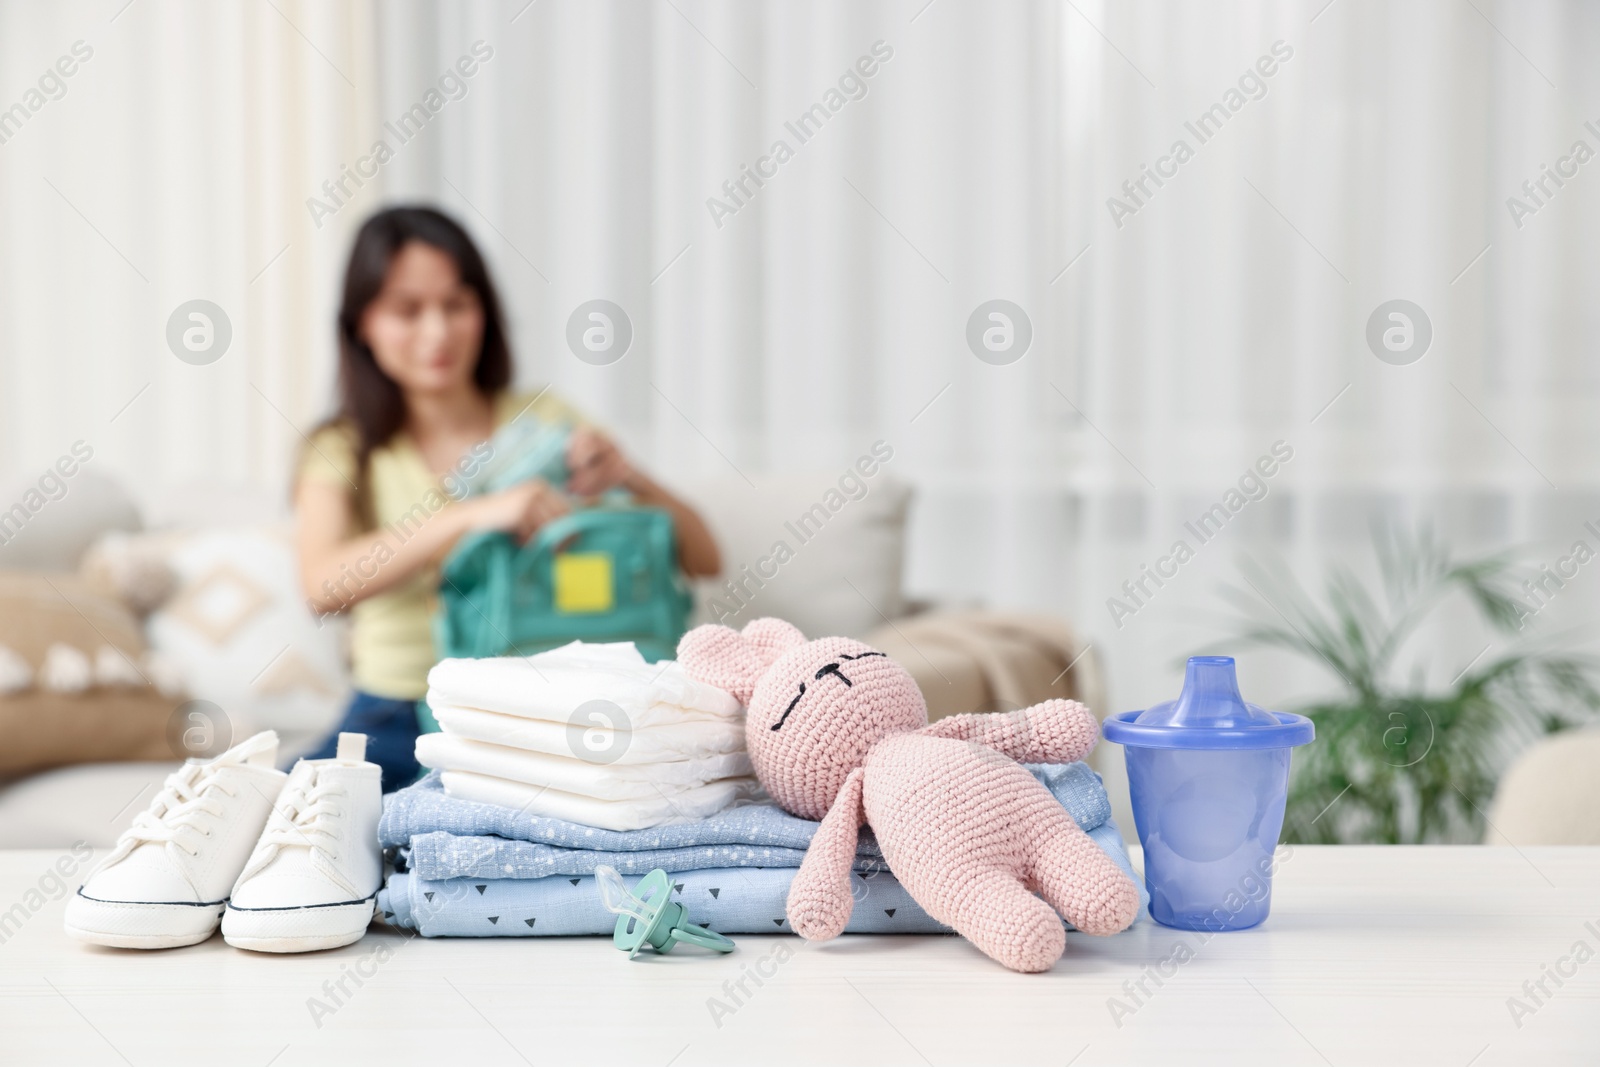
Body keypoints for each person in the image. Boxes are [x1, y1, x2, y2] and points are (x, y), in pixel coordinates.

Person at [295, 206, 720, 789]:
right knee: (287, 819)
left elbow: (705, 559)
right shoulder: (341, 447)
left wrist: (629, 477)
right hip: (395, 711)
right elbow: (323, 587)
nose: (437, 332)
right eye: (407, 310)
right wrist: (470, 517)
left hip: (541, 712)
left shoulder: (545, 420)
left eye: (456, 304)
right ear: (361, 323)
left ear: (484, 312)